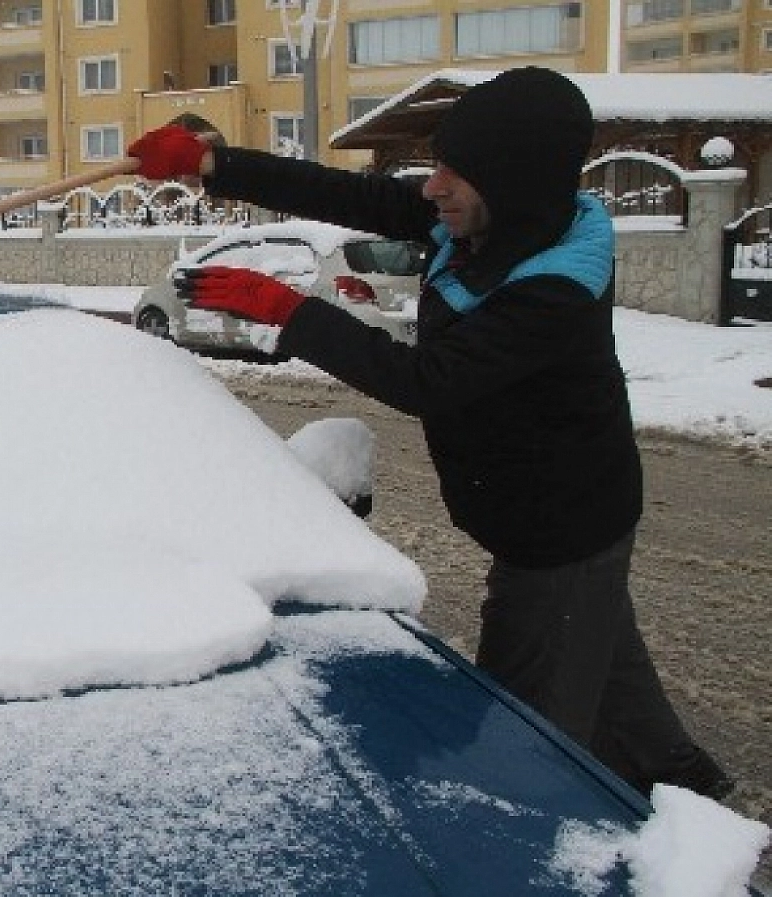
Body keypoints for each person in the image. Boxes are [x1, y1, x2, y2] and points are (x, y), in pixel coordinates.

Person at [126, 66, 733, 800]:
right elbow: (350, 194)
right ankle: (678, 778)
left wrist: (291, 312)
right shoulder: (484, 219)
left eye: (457, 173)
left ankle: (538, 845)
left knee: (525, 731)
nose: (434, 187)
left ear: (512, 184)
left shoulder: (553, 290)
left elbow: (428, 381)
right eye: (438, 164)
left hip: (559, 532)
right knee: (601, 656)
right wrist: (214, 164)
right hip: (555, 517)